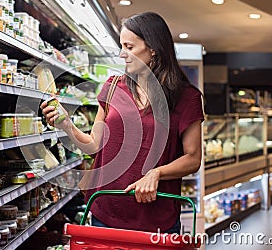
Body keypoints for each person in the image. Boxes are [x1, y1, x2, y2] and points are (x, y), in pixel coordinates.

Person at [41, 12, 204, 234]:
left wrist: (157, 173)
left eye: (129, 47)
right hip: (107, 209)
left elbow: (193, 158)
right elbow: (94, 145)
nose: (122, 54)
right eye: (121, 46)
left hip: (158, 217)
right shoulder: (113, 87)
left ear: (154, 49)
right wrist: (67, 125)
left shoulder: (187, 97)